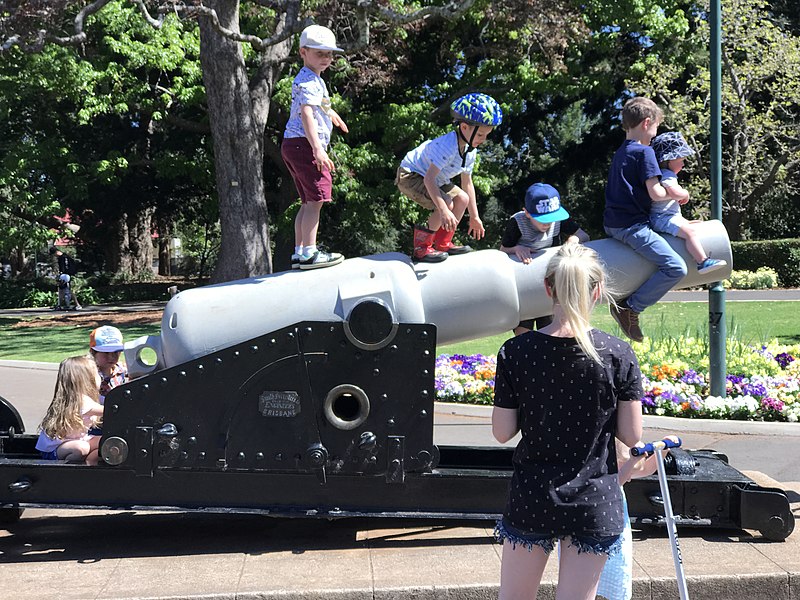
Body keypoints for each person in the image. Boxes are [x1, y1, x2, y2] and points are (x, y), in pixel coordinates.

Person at [492, 243, 643, 600]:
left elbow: (502, 432)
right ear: (598, 290)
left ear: (548, 287)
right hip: (593, 499)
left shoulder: (517, 351)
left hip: (534, 495)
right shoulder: (617, 353)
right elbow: (632, 435)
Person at [603, 97, 687, 343]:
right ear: (647, 122)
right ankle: (630, 308)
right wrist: (678, 193)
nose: (656, 132)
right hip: (632, 226)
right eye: (657, 127)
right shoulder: (646, 152)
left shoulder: (620, 152)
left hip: (614, 223)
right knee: (675, 267)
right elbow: (656, 193)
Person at [396, 92, 503, 262]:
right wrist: (444, 210)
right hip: (411, 175)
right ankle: (421, 248)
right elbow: (428, 179)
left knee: (462, 198)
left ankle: (442, 242)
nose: (483, 140)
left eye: (487, 135)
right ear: (464, 127)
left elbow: (467, 183)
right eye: (481, 134)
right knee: (446, 202)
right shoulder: (448, 146)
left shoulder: (470, 150)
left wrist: (474, 217)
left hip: (434, 178)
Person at [282, 24, 348, 271]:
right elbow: (307, 114)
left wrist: (333, 115)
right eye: (320, 53)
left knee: (306, 201)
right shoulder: (309, 81)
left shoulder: (311, 80)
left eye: (329, 54)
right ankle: (310, 253)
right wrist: (318, 149)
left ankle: (299, 252)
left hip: (292, 145)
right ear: (303, 52)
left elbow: (321, 105)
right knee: (315, 201)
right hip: (304, 146)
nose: (326, 59)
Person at [500, 182, 589, 334]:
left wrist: (573, 240)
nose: (548, 223)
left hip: (550, 285)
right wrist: (516, 248)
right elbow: (502, 251)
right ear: (527, 213)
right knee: (523, 334)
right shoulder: (517, 222)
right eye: (542, 218)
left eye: (551, 217)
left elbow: (583, 235)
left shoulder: (558, 220)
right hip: (524, 286)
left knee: (551, 330)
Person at [596, 436, 679, 600]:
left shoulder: (623, 468)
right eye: (626, 469)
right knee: (592, 579)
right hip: (599, 533)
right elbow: (617, 481)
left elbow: (646, 469)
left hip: (618, 535)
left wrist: (662, 450)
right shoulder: (602, 479)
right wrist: (631, 463)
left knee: (618, 575)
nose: (629, 478)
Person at [649, 131, 727, 275]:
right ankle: (702, 261)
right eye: (681, 160)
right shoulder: (667, 174)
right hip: (662, 219)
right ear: (670, 160)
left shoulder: (663, 173)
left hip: (665, 217)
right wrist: (685, 193)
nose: (684, 164)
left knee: (691, 226)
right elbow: (674, 191)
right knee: (690, 233)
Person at [35, 355, 104, 465]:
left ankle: (90, 464)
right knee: (81, 448)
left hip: (79, 440)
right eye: (97, 373)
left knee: (105, 442)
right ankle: (70, 471)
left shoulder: (86, 399)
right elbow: (111, 409)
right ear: (87, 379)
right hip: (55, 449)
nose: (101, 376)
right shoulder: (80, 401)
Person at [89, 325, 128, 404]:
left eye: (115, 352)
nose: (111, 357)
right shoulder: (89, 374)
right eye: (106, 353)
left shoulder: (120, 369)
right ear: (93, 352)